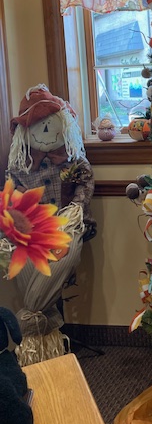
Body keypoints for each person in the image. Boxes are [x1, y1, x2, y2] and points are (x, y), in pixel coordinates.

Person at [6, 84, 96, 364]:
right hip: (31, 231)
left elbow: (84, 189)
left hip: (68, 227)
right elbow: (13, 197)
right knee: (20, 256)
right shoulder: (19, 164)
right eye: (37, 124)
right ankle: (48, 338)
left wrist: (72, 214)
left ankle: (29, 326)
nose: (45, 130)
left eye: (50, 122)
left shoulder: (73, 158)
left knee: (63, 252)